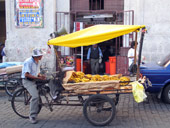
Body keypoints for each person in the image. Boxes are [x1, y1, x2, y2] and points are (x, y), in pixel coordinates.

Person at [21, 48, 46, 124]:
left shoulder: (37, 62)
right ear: (37, 56)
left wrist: (40, 76)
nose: (42, 56)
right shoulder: (28, 62)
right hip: (27, 81)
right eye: (41, 55)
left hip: (34, 79)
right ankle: (32, 116)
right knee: (35, 96)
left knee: (48, 82)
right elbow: (27, 74)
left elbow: (36, 72)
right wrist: (38, 77)